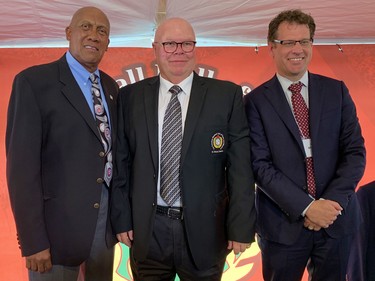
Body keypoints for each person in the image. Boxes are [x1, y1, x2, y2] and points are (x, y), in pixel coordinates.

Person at [110, 17, 256, 281]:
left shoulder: (227, 95)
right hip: (148, 230)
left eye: (186, 43)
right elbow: (122, 162)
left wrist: (241, 227)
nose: (179, 50)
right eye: (170, 44)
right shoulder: (131, 97)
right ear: (155, 49)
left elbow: (240, 168)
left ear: (196, 47)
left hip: (207, 231)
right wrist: (121, 218)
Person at [244, 9, 366, 281]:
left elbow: (355, 153)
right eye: (288, 42)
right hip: (282, 227)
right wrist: (308, 207)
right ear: (272, 47)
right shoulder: (255, 103)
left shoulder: (337, 91)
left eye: (304, 41)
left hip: (336, 220)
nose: (297, 49)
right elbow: (259, 166)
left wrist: (330, 203)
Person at [6, 6, 118, 281]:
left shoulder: (112, 88)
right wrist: (33, 241)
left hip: (103, 231)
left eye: (102, 31)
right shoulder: (33, 82)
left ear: (107, 43)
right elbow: (21, 169)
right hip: (53, 236)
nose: (94, 35)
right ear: (69, 32)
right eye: (86, 27)